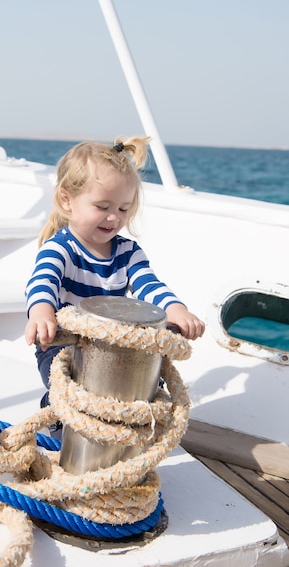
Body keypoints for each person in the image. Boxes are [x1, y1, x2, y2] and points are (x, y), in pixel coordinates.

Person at [25, 136, 205, 409]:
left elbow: (149, 285)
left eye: (123, 209)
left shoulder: (127, 252)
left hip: (111, 345)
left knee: (147, 380)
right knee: (68, 385)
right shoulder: (60, 249)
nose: (114, 218)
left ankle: (130, 424)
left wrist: (176, 309)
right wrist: (41, 313)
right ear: (67, 200)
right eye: (103, 207)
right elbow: (42, 282)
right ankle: (60, 419)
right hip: (64, 344)